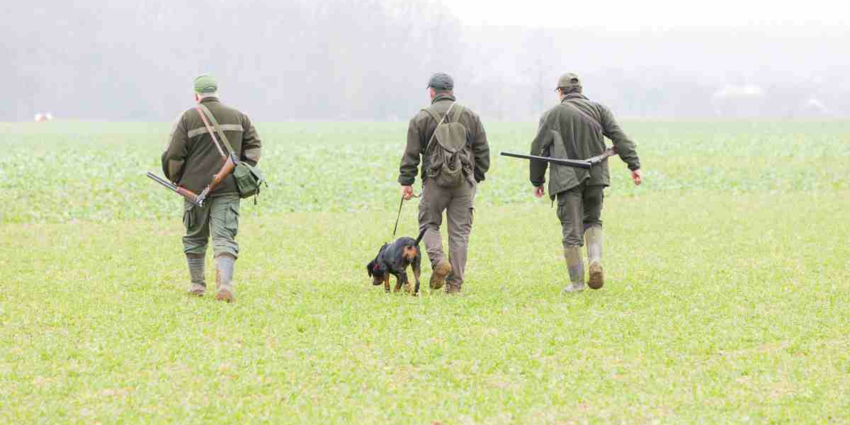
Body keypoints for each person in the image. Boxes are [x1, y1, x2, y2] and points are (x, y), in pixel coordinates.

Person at [529, 72, 642, 294]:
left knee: (571, 229)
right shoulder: (599, 110)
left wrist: (537, 180)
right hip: (597, 177)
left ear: (560, 92)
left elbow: (538, 151)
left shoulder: (551, 115)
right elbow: (620, 138)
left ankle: (577, 283)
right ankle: (595, 261)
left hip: (566, 180)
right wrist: (634, 165)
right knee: (593, 220)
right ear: (580, 91)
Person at [161, 74, 262, 302]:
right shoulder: (239, 116)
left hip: (194, 190)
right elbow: (254, 147)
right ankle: (224, 284)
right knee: (224, 236)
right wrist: (239, 171)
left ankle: (197, 285)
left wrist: (178, 180)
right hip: (228, 188)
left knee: (195, 237)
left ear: (196, 95)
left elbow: (174, 155)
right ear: (217, 92)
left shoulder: (187, 118)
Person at [399, 73, 490, 294]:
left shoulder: (420, 118)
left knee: (428, 224)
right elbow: (483, 152)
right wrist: (473, 177)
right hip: (463, 183)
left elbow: (411, 154)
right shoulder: (470, 116)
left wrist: (406, 181)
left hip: (434, 182)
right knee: (459, 234)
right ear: (451, 90)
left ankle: (439, 261)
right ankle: (454, 286)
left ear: (431, 91)